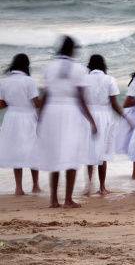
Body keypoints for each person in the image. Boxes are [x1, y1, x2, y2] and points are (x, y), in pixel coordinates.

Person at [31, 36, 97, 208]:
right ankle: (68, 199)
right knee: (71, 155)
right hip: (70, 113)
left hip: (52, 112)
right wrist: (91, 120)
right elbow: (81, 99)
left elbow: (45, 96)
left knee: (55, 155)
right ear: (71, 50)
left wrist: (40, 118)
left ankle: (53, 199)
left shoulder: (49, 68)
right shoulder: (78, 69)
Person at [80, 55, 129, 195]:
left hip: (88, 117)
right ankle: (102, 187)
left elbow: (81, 101)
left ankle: (88, 186)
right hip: (105, 117)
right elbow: (114, 103)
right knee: (103, 153)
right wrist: (125, 118)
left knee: (89, 152)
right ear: (103, 65)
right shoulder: (110, 80)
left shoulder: (84, 80)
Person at [0, 53, 42, 195]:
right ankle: (35, 185)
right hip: (27, 117)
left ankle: (18, 188)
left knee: (16, 151)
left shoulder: (4, 82)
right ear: (26, 65)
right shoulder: (28, 80)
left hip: (11, 118)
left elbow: (1, 104)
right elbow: (35, 103)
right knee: (32, 150)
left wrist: (14, 102)